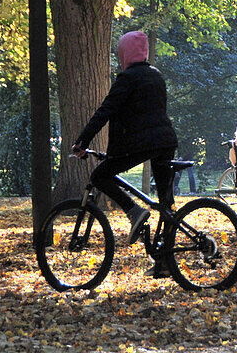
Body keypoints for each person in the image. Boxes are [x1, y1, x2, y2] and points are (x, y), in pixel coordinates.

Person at [72, 31, 178, 275]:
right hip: (165, 141)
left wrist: (82, 141)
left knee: (100, 176)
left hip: (140, 143)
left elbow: (105, 112)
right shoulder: (156, 76)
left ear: (124, 54)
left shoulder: (127, 78)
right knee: (166, 205)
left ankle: (134, 210)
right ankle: (164, 263)